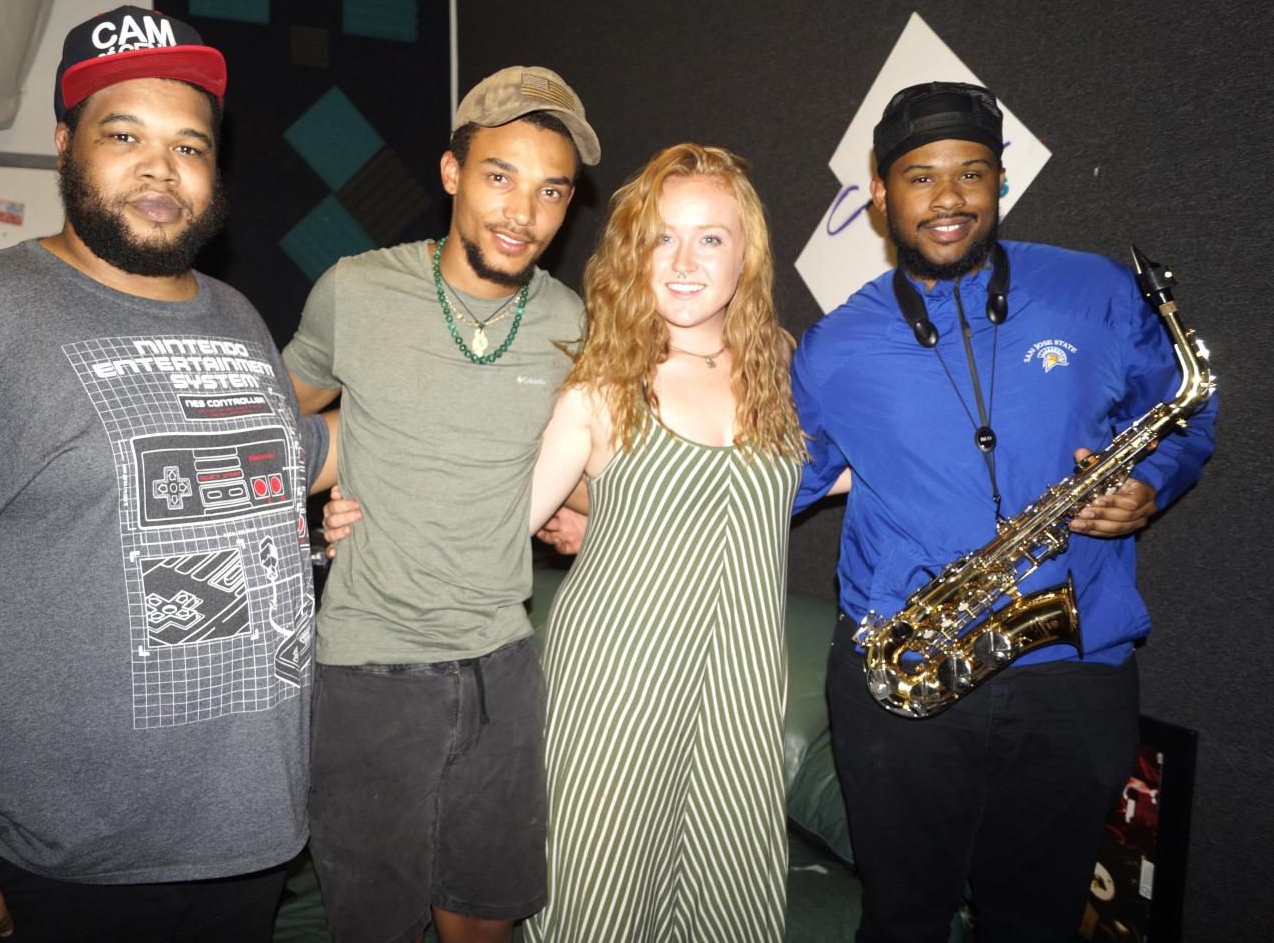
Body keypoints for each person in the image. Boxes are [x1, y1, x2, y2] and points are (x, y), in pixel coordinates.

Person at [0, 6, 335, 942]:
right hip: (67, 856)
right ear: (64, 146)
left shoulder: (236, 315)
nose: (161, 167)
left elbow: (284, 462)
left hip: (254, 830)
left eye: (189, 145)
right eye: (125, 136)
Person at [791, 81, 1217, 941]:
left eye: (971, 174)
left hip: (1071, 669)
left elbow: (1183, 407)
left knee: (1038, 919)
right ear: (879, 195)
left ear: (999, 182)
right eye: (919, 177)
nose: (948, 199)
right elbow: (776, 485)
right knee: (902, 916)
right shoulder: (833, 346)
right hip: (901, 672)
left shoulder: (1092, 292)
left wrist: (1152, 483)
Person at [281, 66, 600, 943]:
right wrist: (310, 514)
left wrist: (576, 508)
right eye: (499, 176)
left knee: (484, 917)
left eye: (550, 191)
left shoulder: (569, 320)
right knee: (375, 924)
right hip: (369, 669)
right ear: (453, 172)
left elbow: (560, 466)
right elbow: (273, 428)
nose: (521, 213)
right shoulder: (353, 289)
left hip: (502, 660)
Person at [520, 144, 821, 942]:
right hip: (613, 682)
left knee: (726, 892)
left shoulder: (786, 371)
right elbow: (496, 525)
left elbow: (874, 470)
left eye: (710, 238)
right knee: (599, 890)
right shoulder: (601, 385)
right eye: (662, 237)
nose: (684, 262)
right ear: (633, 252)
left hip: (740, 684)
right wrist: (368, 520)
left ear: (745, 253)